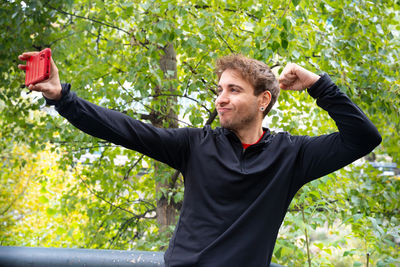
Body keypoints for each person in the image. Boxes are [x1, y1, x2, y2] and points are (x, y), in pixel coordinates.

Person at [18, 52, 381, 267]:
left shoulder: (293, 155)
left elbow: (363, 137)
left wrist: (318, 84)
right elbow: (123, 129)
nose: (220, 99)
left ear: (264, 101)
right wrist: (62, 97)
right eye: (220, 89)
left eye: (233, 90)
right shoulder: (195, 144)